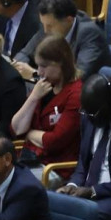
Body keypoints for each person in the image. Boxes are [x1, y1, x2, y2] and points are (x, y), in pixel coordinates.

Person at [11, 36, 83, 168]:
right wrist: (33, 97)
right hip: (29, 157)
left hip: (55, 167)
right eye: (38, 66)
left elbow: (54, 141)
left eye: (43, 66)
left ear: (61, 63)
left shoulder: (76, 94)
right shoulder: (44, 86)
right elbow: (16, 128)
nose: (39, 72)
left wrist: (29, 133)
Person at [14, 0, 105, 84]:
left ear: (69, 20)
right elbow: (25, 53)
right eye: (43, 24)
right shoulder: (49, 24)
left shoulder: (89, 34)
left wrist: (35, 74)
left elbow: (79, 77)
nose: (45, 31)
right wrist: (18, 66)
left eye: (50, 25)